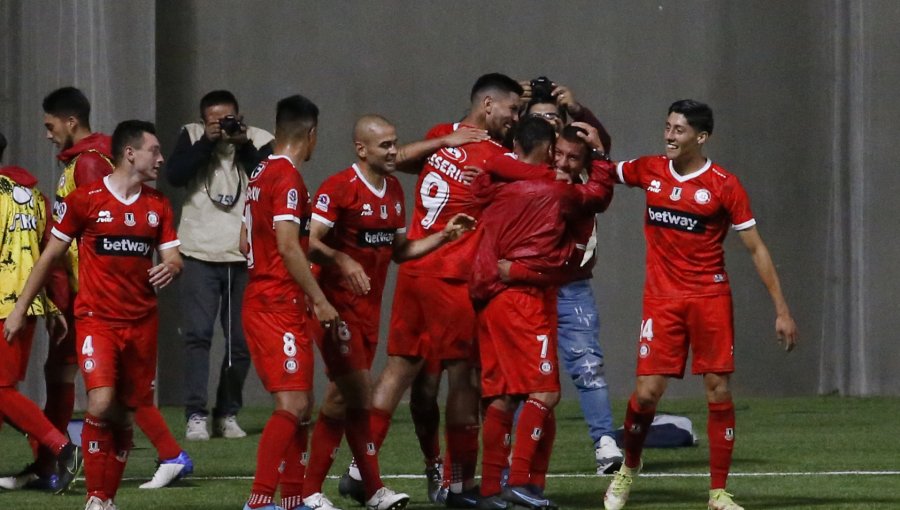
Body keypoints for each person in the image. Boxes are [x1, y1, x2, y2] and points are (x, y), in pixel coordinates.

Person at [336, 74, 522, 509]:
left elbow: (395, 158)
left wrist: (445, 142)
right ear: (489, 106)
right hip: (452, 277)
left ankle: (357, 471)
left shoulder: (441, 136)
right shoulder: (498, 156)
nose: (515, 118)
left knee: (398, 370)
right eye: (512, 109)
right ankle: (460, 488)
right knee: (465, 378)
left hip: (414, 270)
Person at [602, 100, 798, 510]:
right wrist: (581, 124)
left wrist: (781, 309)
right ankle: (628, 471)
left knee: (717, 389)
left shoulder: (725, 185)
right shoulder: (650, 169)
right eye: (668, 127)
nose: (669, 136)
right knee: (647, 392)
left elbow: (756, 249)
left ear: (701, 137)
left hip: (709, 297)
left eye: (679, 130)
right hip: (662, 301)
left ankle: (717, 493)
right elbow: (608, 170)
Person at [4, 120, 183, 510]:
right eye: (154, 150)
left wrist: (172, 265)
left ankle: (106, 498)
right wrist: (21, 308)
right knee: (100, 403)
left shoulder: (158, 205)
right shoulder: (85, 200)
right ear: (130, 153)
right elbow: (49, 255)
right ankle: (94, 498)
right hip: (97, 320)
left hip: (142, 323)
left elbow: (172, 254)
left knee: (124, 414)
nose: (161, 158)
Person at [303, 114, 474, 510]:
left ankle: (324, 489)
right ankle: (353, 489)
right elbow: (308, 244)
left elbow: (400, 251)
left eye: (396, 143)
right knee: (356, 395)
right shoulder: (339, 188)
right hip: (334, 307)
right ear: (361, 149)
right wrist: (343, 261)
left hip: (367, 311)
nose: (395, 151)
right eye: (385, 145)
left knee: (342, 401)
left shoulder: (395, 190)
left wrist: (443, 236)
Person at [469, 117, 614, 510]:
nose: (563, 162)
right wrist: (600, 154)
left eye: (572, 157)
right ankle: (518, 483)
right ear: (549, 151)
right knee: (545, 392)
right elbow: (597, 196)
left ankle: (492, 490)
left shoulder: (496, 179)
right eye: (559, 153)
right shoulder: (556, 192)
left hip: (491, 297)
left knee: (501, 396)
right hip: (524, 300)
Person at [238, 94, 339, 510]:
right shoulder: (288, 179)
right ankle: (260, 501)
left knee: (303, 403)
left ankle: (293, 500)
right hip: (276, 303)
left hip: (271, 299)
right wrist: (320, 299)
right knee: (293, 403)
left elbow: (243, 240)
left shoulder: (260, 172)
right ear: (311, 135)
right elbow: (287, 246)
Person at [166, 90, 273, 441]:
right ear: (202, 121)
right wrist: (207, 145)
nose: (223, 125)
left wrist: (241, 144)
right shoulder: (192, 136)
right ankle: (196, 415)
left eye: (228, 119)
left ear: (240, 116)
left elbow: (268, 178)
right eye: (215, 121)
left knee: (240, 342)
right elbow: (176, 175)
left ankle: (227, 413)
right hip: (198, 251)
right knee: (197, 337)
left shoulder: (259, 140)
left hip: (243, 257)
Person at [0, 131, 81, 494]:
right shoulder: (33, 197)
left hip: (4, 306)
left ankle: (62, 448)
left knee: (0, 391)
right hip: (27, 304)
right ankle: (50, 458)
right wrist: (52, 303)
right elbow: (51, 253)